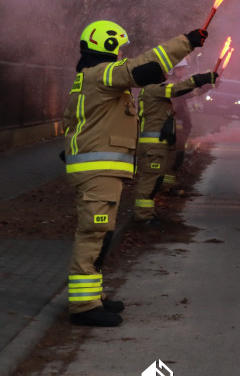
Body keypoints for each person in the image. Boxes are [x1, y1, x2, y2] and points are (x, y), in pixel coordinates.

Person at [61, 21, 207, 327]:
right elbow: (143, 66)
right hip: (97, 171)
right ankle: (84, 305)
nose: (121, 55)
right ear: (107, 45)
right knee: (93, 234)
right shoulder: (101, 74)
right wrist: (187, 41)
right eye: (119, 48)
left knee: (101, 234)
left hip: (99, 170)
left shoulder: (90, 78)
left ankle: (92, 296)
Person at [134, 62, 216, 224]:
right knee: (150, 180)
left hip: (158, 142)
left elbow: (182, 94)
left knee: (155, 178)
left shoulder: (155, 90)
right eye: (162, 74)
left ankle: (146, 214)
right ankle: (143, 216)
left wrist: (205, 85)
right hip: (154, 144)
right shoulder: (154, 90)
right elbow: (176, 90)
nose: (165, 76)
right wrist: (201, 79)